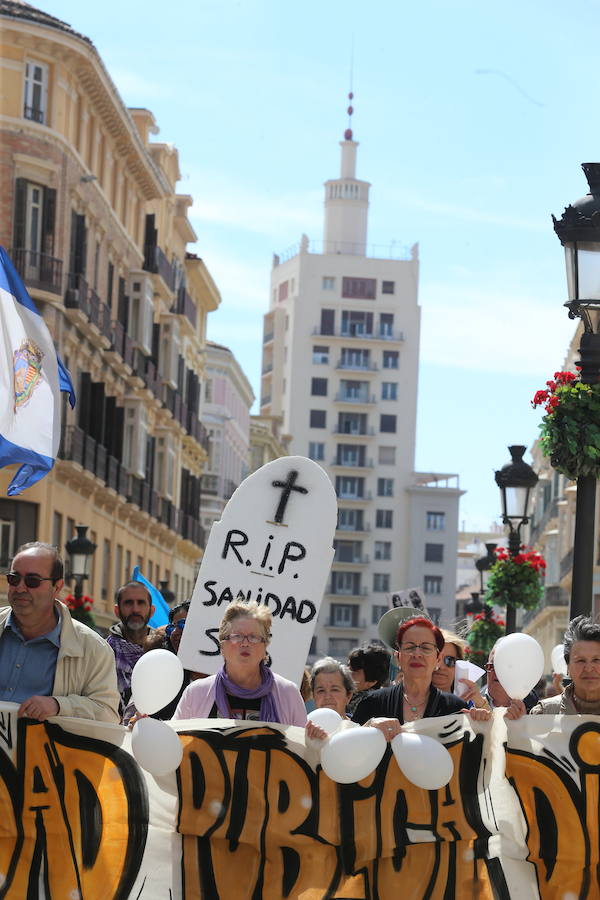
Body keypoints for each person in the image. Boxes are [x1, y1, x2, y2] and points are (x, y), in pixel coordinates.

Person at [0, 542, 119, 722]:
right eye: (14, 579)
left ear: (57, 587)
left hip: (46, 750)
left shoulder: (94, 649)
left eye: (32, 581)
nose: (20, 588)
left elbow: (107, 714)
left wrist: (59, 705)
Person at [353, 612, 490, 739]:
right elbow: (348, 747)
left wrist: (482, 723)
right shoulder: (372, 703)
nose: (417, 654)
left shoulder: (455, 709)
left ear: (437, 658)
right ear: (398, 656)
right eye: (410, 647)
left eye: (425, 648)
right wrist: (369, 727)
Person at [173, 600, 307, 724]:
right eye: (237, 636)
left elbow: (302, 747)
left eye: (253, 637)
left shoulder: (288, 694)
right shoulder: (196, 693)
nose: (245, 643)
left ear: (264, 646)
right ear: (222, 646)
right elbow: (175, 741)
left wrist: (315, 741)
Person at [123, 600, 205, 723]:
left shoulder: (226, 675)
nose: (175, 632)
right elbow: (132, 715)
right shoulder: (159, 669)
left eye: (183, 624)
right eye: (172, 627)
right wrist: (136, 720)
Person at [531, 615, 600, 715]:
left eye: (596, 660)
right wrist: (519, 724)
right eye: (580, 660)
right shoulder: (544, 713)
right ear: (568, 667)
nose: (588, 668)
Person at [107, 581, 155, 716]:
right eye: (128, 603)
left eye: (141, 603)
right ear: (117, 610)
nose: (135, 610)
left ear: (151, 611)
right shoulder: (102, 653)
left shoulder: (164, 652)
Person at [432, 629, 488, 709]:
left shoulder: (472, 703)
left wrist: (481, 705)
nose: (441, 666)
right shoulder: (412, 702)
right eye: (436, 658)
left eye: (449, 660)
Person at [481, 641, 537, 718]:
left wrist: (525, 722)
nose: (498, 672)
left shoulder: (536, 707)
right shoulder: (471, 702)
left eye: (505, 667)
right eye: (492, 666)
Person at [306, 657, 357, 741]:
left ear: (348, 696)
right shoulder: (301, 733)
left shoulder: (359, 732)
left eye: (334, 690)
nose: (327, 696)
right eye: (321, 690)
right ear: (313, 696)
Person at [346, 641, 391, 716]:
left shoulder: (371, 703)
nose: (346, 672)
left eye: (354, 671)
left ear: (371, 682)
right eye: (347, 666)